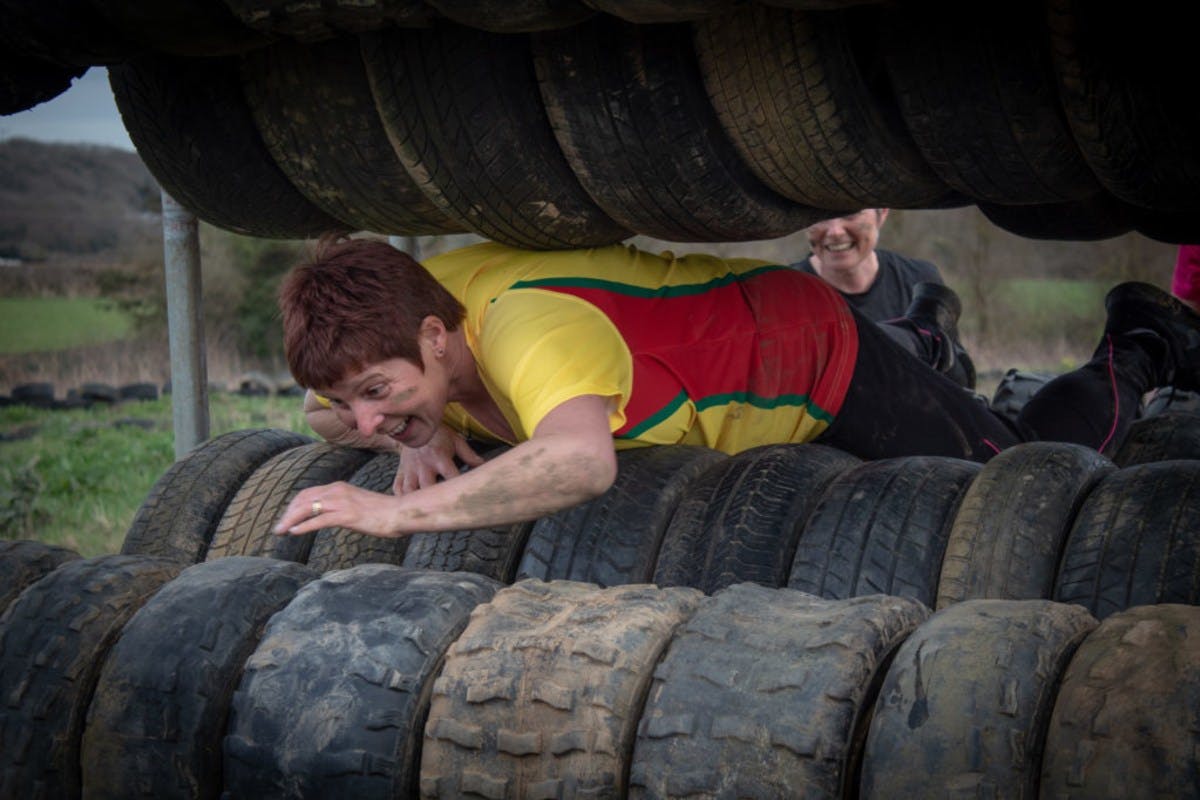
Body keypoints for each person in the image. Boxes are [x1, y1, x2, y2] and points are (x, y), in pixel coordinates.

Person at [272, 236, 1200, 541]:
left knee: (1024, 471)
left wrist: (392, 513)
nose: (359, 419)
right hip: (724, 331)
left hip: (802, 354)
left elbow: (581, 463)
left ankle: (1144, 339)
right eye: (351, 398)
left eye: (378, 390)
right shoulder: (412, 317)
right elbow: (321, 408)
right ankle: (918, 333)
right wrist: (412, 429)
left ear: (438, 337)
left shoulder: (528, 329)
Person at [794, 208, 975, 387]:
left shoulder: (920, 279)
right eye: (819, 216)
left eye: (849, 213)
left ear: (883, 213)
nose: (835, 231)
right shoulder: (785, 293)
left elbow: (958, 379)